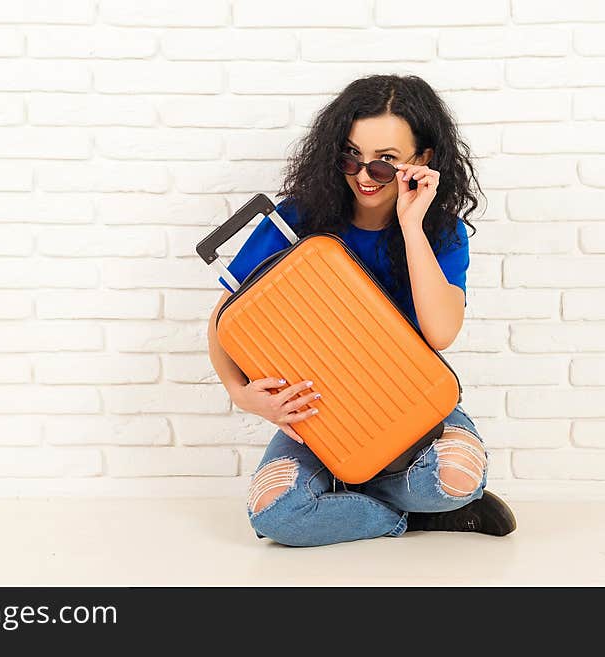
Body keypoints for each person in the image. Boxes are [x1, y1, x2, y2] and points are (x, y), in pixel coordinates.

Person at [207, 74, 516, 547]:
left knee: (458, 478)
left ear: (423, 161)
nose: (363, 175)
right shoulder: (294, 223)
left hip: (410, 404)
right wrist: (242, 394)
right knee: (276, 514)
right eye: (350, 156)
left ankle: (352, 491)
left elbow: (440, 332)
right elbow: (226, 319)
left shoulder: (441, 233)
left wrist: (412, 226)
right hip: (323, 415)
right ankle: (403, 515)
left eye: (385, 163)